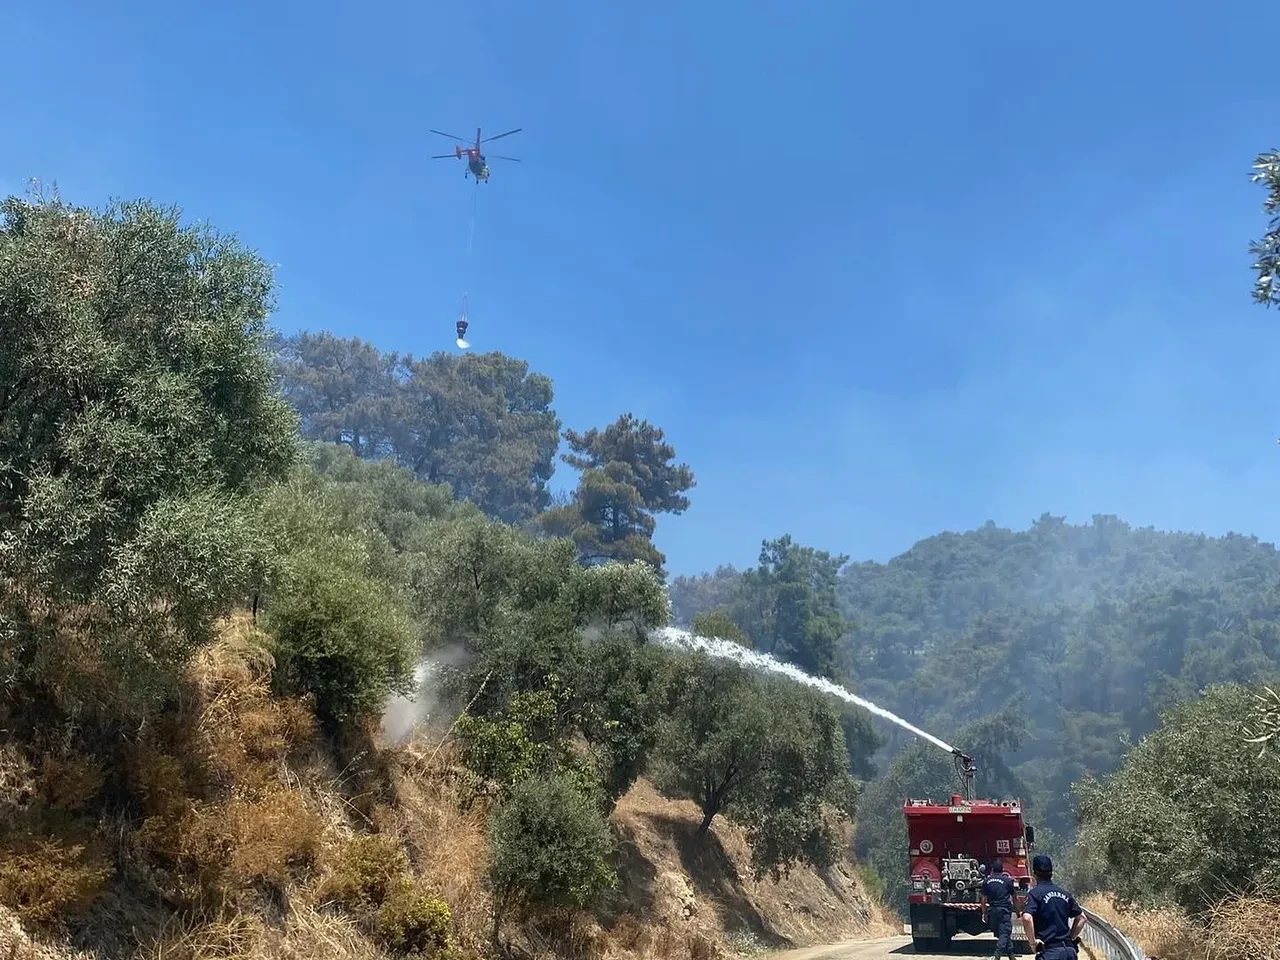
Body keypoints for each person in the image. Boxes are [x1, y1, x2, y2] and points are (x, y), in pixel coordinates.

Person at [1020, 854, 1086, 959]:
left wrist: (1032, 944)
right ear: (1051, 872)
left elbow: (1027, 918)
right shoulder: (1065, 894)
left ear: (1034, 873)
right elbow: (1082, 918)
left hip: (1049, 952)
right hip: (1069, 952)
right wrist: (1070, 938)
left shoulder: (1035, 894)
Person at [982, 859, 1017, 960]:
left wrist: (984, 913)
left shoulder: (986, 881)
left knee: (1002, 933)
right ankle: (997, 955)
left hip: (993, 911)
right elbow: (1015, 897)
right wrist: (1018, 911)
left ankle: (1011, 955)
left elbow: (983, 899)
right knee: (1004, 933)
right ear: (1002, 870)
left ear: (992, 870)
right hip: (1004, 911)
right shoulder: (1008, 881)